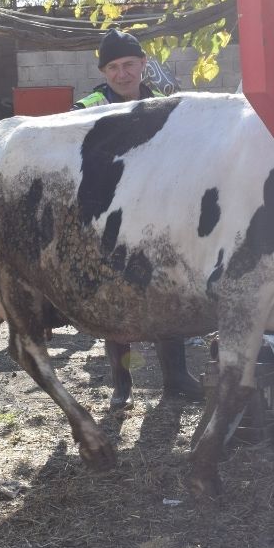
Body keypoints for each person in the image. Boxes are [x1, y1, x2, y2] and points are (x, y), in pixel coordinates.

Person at [73, 29, 205, 409]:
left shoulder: (167, 104)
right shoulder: (87, 108)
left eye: (129, 64)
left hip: (160, 215)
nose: (122, 73)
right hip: (111, 218)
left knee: (168, 292)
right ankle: (121, 383)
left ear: (144, 64)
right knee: (117, 300)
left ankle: (176, 378)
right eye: (113, 67)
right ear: (104, 71)